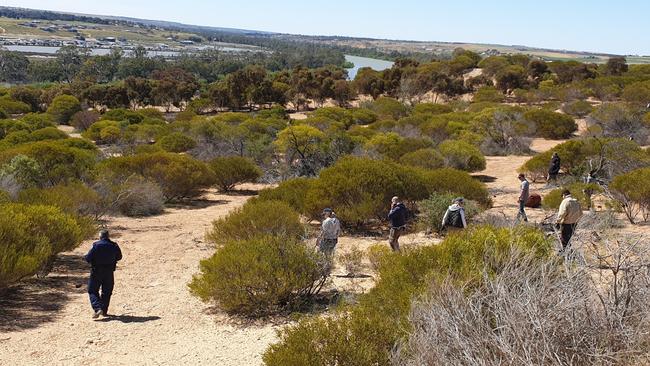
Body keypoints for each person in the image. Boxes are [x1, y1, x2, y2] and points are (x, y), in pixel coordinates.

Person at [85, 229, 122, 319]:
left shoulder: (96, 245)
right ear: (108, 236)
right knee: (107, 291)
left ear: (100, 236)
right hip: (109, 272)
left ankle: (97, 308)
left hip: (96, 271)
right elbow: (119, 256)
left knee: (92, 290)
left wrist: (86, 257)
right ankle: (104, 311)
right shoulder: (114, 245)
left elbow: (88, 258)